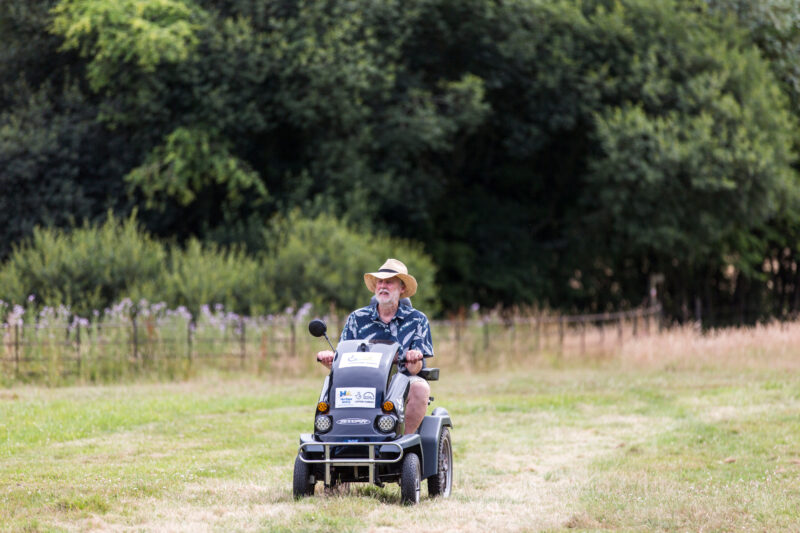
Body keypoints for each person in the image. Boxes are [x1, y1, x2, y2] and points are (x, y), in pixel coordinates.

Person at [316, 258, 433, 434]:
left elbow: (416, 368)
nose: (383, 286)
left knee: (421, 387)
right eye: (380, 281)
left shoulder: (417, 320)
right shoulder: (357, 318)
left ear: (402, 288)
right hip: (361, 379)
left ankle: (402, 440)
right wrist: (328, 360)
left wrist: (413, 358)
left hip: (400, 380)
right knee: (332, 385)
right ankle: (335, 439)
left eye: (389, 282)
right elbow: (342, 361)